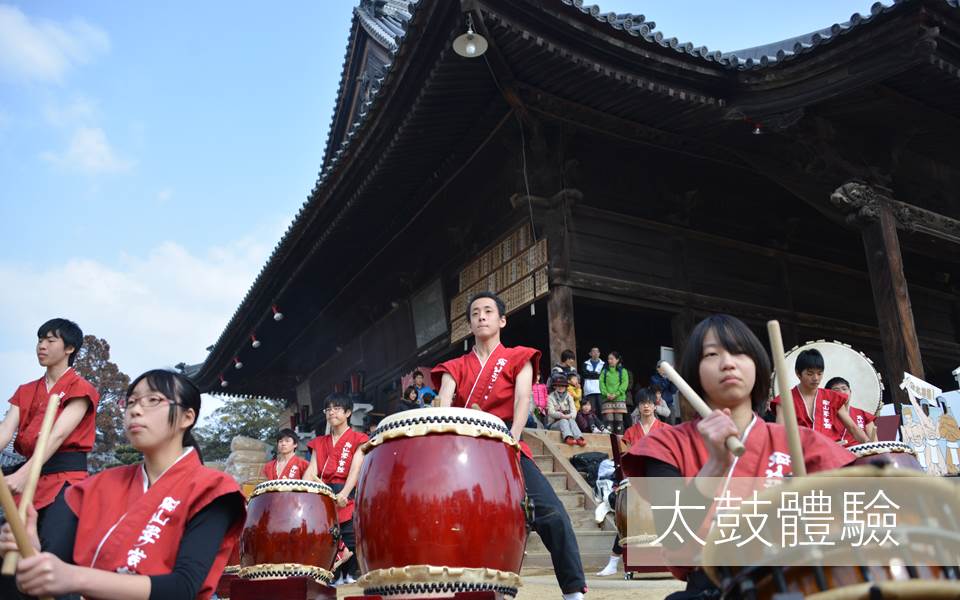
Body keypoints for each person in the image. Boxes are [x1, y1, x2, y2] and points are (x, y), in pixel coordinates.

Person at [622, 315, 855, 597]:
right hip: (710, 588)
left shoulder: (805, 444)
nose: (728, 362)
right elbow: (674, 533)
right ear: (694, 370)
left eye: (739, 352)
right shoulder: (667, 442)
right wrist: (715, 465)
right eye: (712, 354)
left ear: (758, 365)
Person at [0, 369, 246, 600]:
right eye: (131, 402)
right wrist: (30, 551)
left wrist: (75, 577)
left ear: (187, 417)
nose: (136, 410)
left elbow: (183, 587)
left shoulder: (213, 487)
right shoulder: (95, 488)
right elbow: (56, 577)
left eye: (153, 400)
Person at [433, 291, 587, 600]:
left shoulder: (519, 357)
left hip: (506, 443)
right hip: (465, 453)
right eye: (475, 313)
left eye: (488, 311)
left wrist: (512, 437)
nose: (481, 317)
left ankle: (573, 592)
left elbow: (522, 400)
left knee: (553, 514)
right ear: (470, 324)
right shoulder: (455, 366)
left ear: (502, 320)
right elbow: (443, 407)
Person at [0, 319, 100, 549]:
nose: (41, 346)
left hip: (66, 479)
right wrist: (24, 475)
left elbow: (55, 436)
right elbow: (5, 430)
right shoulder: (25, 390)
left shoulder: (81, 389)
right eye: (40, 340)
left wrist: (24, 475)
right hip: (29, 475)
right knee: (10, 548)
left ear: (69, 348)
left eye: (50, 340)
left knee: (53, 546)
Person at [303, 393, 368, 585]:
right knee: (326, 537)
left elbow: (356, 469)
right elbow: (310, 473)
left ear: (348, 412)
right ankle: (334, 577)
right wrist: (321, 489)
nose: (331, 412)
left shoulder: (359, 438)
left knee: (350, 535)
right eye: (328, 409)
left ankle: (349, 576)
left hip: (346, 493)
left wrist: (344, 494)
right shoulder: (319, 442)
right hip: (324, 495)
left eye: (337, 408)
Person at [772, 349, 868, 444]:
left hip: (832, 450)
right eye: (810, 374)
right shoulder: (785, 399)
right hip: (802, 452)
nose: (815, 378)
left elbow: (853, 428)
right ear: (798, 373)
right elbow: (780, 432)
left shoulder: (832, 397)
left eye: (819, 373)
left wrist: (870, 445)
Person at [826, 377, 877, 444]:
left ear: (850, 392)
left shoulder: (864, 415)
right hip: (834, 452)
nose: (842, 392)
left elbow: (875, 443)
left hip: (861, 452)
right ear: (828, 394)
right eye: (836, 390)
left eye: (844, 389)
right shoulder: (824, 414)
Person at [546, 374, 586, 447]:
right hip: (554, 423)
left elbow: (574, 411)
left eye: (562, 386)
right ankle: (568, 437)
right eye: (558, 386)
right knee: (563, 421)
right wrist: (561, 416)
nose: (560, 387)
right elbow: (550, 412)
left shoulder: (569, 396)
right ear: (555, 386)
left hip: (568, 419)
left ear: (565, 387)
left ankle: (579, 438)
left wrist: (569, 416)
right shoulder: (550, 397)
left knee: (571, 420)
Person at [599, 351, 629, 434]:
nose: (609, 360)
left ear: (617, 360)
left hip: (619, 399)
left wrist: (616, 394)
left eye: (612, 359)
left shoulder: (623, 371)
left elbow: (624, 384)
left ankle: (619, 441)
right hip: (607, 399)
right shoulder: (605, 371)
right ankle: (610, 442)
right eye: (608, 359)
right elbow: (601, 383)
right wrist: (606, 393)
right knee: (609, 421)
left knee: (619, 421)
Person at [582, 347, 604, 416]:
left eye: (597, 352)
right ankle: (592, 425)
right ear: (590, 354)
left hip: (600, 389)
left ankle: (602, 425)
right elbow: (584, 374)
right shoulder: (585, 363)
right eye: (593, 352)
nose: (595, 353)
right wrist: (596, 374)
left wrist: (591, 374)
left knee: (601, 409)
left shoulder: (604, 364)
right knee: (591, 409)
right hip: (589, 389)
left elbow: (602, 375)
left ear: (599, 353)